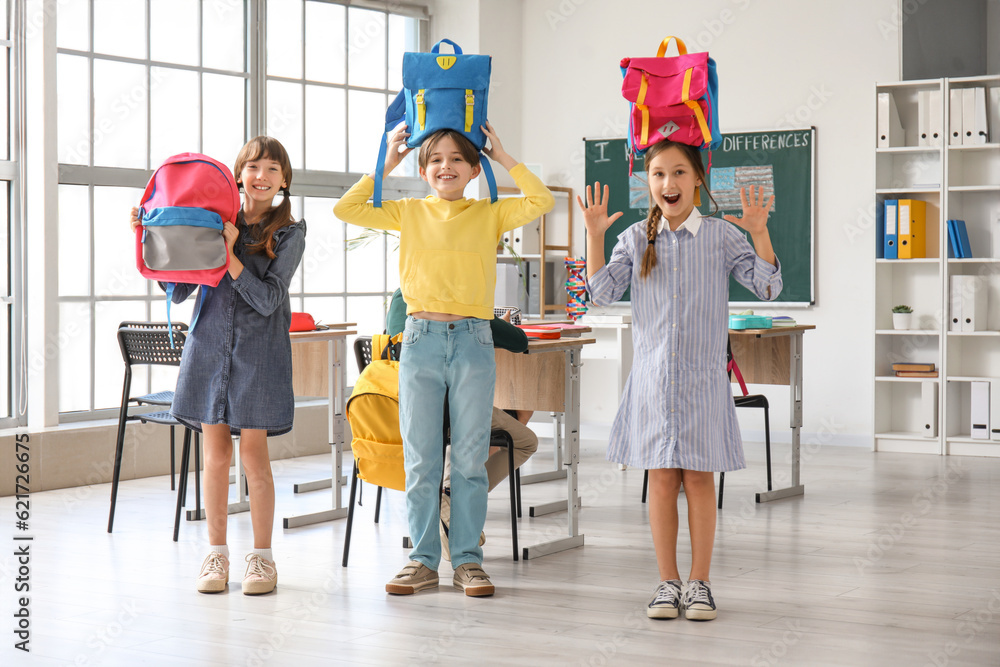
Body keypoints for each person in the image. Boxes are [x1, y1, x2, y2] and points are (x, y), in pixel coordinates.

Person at [334, 122, 553, 596]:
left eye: (457, 159)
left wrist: (504, 156)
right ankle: (423, 560)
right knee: (421, 460)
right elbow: (345, 207)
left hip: (473, 342)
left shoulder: (489, 213)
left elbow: (541, 202)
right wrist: (386, 161)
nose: (445, 166)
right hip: (421, 342)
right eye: (435, 159)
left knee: (471, 459)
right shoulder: (408, 211)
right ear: (423, 169)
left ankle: (469, 562)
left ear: (475, 169)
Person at [579, 140, 781, 621]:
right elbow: (601, 295)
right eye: (658, 175)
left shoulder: (720, 236)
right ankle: (667, 582)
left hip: (703, 381)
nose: (668, 184)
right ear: (648, 183)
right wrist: (592, 236)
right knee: (662, 480)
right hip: (652, 381)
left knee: (699, 479)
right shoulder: (633, 238)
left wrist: (759, 232)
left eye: (678, 173)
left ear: (697, 179)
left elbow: (769, 285)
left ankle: (701, 583)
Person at [129, 136, 306, 595]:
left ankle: (262, 560)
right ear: (237, 174)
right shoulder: (214, 218)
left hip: (258, 354)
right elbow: (182, 290)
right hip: (207, 348)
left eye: (272, 169)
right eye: (252, 167)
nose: (261, 176)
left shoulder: (290, 232)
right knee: (215, 457)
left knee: (253, 458)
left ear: (284, 180)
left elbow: (268, 300)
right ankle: (216, 555)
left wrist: (230, 256)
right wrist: (153, 236)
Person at [385, 288, 538, 560]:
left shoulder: (404, 295)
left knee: (425, 465)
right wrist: (492, 323)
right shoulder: (463, 297)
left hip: (403, 404)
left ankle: (437, 528)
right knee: (525, 440)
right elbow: (518, 340)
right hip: (453, 403)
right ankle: (453, 497)